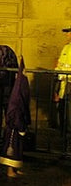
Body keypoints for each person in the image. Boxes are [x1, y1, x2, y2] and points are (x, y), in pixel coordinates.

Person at [0, 56, 31, 178]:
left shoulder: (20, 92)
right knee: (12, 148)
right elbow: (16, 113)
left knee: (17, 149)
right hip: (14, 127)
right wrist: (21, 127)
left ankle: (15, 168)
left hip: (17, 126)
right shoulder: (17, 96)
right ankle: (10, 170)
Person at [0, 45, 18, 144]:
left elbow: (1, 78)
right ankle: (3, 136)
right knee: (2, 116)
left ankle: (2, 137)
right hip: (4, 93)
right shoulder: (8, 64)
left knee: (4, 116)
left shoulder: (7, 65)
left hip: (5, 93)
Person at [55, 24, 71, 157]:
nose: (67, 35)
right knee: (64, 117)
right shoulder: (66, 48)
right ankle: (65, 146)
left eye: (69, 32)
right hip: (64, 87)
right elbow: (59, 67)